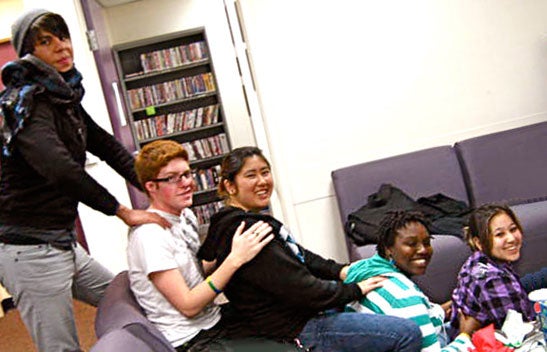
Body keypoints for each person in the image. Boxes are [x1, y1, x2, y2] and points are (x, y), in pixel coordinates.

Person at [0, 8, 168, 352]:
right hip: (29, 251)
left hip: (61, 243)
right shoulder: (24, 104)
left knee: (131, 303)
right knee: (62, 348)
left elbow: (108, 146)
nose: (62, 47)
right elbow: (60, 169)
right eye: (46, 41)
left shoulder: (63, 98)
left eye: (63, 36)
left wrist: (155, 188)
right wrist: (123, 211)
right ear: (28, 52)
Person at [198, 146, 423, 352]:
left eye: (265, 172)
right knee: (407, 333)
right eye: (251, 175)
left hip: (300, 313)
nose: (262, 181)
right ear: (230, 185)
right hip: (299, 328)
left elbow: (301, 255)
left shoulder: (228, 222)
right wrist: (355, 288)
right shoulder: (249, 231)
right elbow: (304, 289)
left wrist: (340, 270)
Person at [129, 139, 279, 351]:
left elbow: (197, 274)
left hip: (214, 320)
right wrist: (234, 260)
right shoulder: (149, 236)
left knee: (282, 317)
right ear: (151, 187)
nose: (186, 183)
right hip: (191, 340)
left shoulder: (185, 216)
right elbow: (189, 305)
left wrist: (232, 250)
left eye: (187, 174)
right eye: (172, 179)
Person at [344, 210, 475, 352]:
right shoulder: (403, 295)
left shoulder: (364, 268)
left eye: (427, 242)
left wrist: (447, 307)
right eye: (411, 244)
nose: (423, 250)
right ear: (389, 249)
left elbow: (414, 313)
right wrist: (465, 335)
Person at [449, 204, 536, 336]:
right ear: (479, 243)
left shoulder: (477, 261)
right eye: (500, 234)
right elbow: (522, 332)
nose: (511, 238)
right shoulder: (492, 279)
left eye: (513, 229)